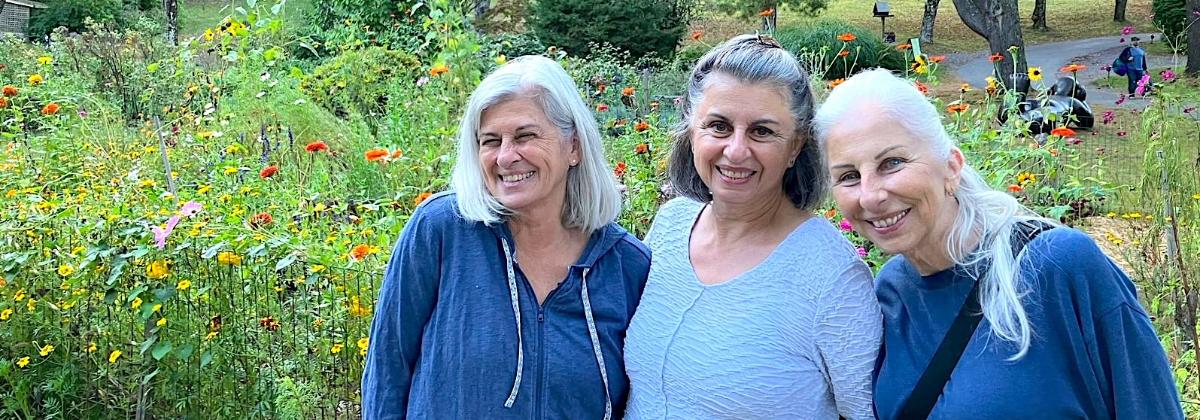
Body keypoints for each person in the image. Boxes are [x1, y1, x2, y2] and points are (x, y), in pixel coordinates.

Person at [814, 68, 1184, 419]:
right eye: (849, 176)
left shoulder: (1059, 267)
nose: (870, 195)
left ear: (951, 166)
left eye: (892, 163)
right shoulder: (891, 292)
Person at [361, 55, 651, 419]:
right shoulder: (440, 231)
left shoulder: (627, 265)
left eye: (525, 136)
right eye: (490, 141)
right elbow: (387, 371)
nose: (505, 157)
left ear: (574, 146)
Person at [623, 34, 881, 419]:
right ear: (692, 129)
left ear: (796, 146)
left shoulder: (831, 276)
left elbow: (866, 412)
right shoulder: (671, 226)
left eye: (762, 131)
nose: (736, 150)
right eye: (718, 126)